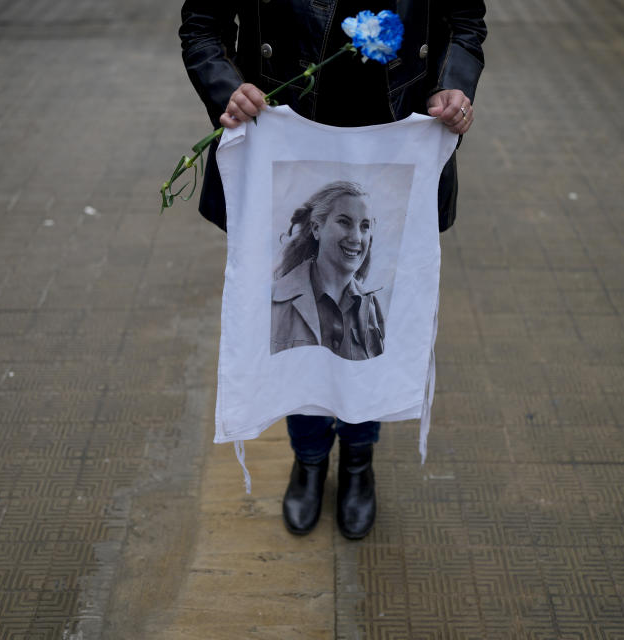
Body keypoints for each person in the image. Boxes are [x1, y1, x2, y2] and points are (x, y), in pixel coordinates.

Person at [180, 0, 486, 539]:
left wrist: (454, 86)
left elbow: (464, 20)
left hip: (395, 148)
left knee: (367, 324)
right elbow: (203, 24)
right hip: (290, 147)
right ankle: (310, 458)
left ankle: (360, 462)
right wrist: (226, 86)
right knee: (299, 328)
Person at [271, 181, 384, 361]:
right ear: (317, 229)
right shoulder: (273, 301)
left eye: (365, 226)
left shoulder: (372, 307)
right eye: (344, 222)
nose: (356, 237)